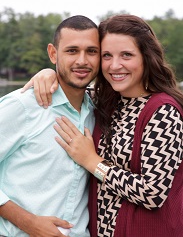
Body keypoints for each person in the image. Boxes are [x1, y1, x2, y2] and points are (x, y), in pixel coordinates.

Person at [23, 14, 183, 237]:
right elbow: (70, 85)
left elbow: (152, 193)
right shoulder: (103, 102)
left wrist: (92, 161)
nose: (115, 65)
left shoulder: (163, 111)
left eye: (126, 55)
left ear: (146, 57)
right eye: (107, 55)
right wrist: (48, 73)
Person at [0, 15, 100, 237]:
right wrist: (30, 223)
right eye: (72, 51)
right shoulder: (23, 106)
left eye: (91, 51)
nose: (82, 60)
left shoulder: (98, 111)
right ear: (53, 53)